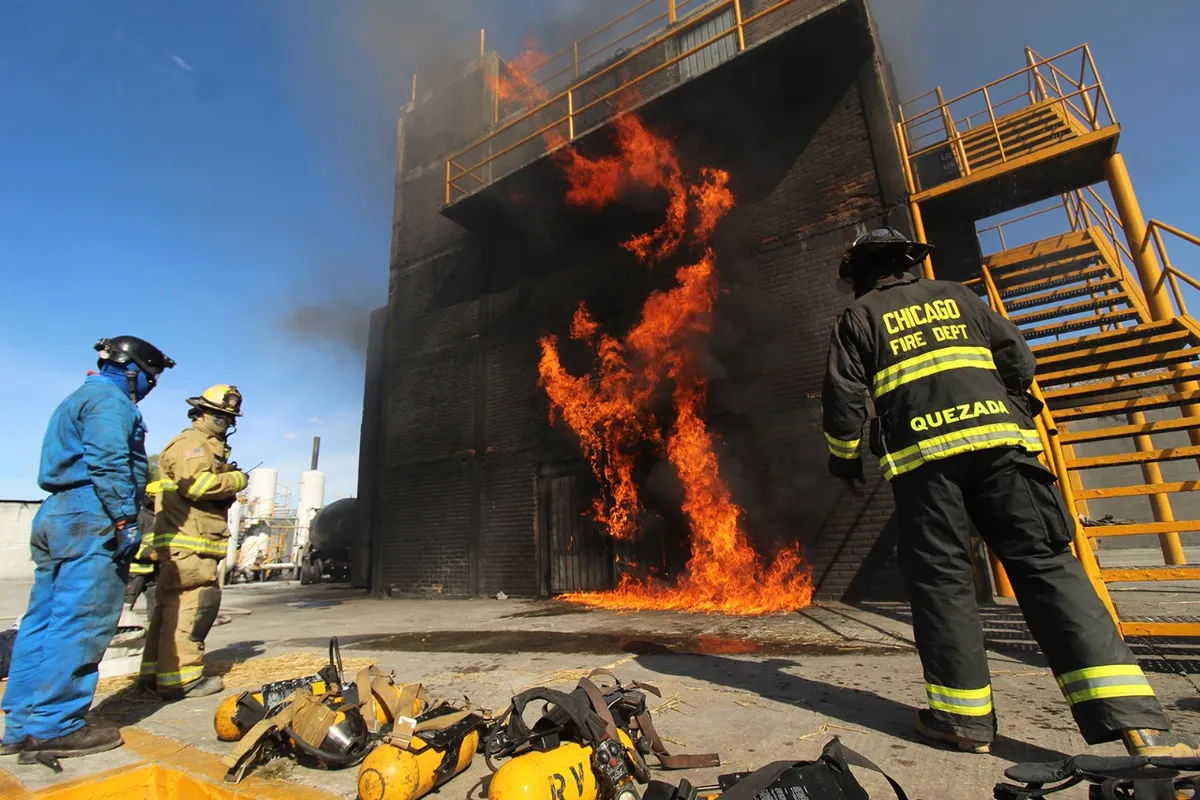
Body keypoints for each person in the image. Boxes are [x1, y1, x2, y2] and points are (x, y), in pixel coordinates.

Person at [821, 227, 1199, 758]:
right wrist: (1007, 410)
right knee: (1048, 568)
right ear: (909, 263)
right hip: (1003, 452)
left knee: (943, 582)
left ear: (858, 273)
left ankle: (963, 723)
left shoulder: (858, 318)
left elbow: (842, 403)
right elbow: (1019, 360)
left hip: (925, 468)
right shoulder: (958, 297)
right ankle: (1139, 726)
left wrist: (845, 464)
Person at [2, 336, 174, 759]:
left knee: (43, 622)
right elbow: (110, 460)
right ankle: (57, 725)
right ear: (133, 370)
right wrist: (123, 519)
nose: (150, 386)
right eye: (150, 377)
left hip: (58, 513)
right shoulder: (112, 403)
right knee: (83, 621)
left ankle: (19, 725)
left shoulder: (78, 397)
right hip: (91, 512)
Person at [140, 385, 247, 699]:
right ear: (202, 412)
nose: (225, 424)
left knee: (169, 607)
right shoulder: (193, 444)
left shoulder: (201, 446)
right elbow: (197, 486)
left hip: (187, 542)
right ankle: (182, 678)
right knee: (195, 605)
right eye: (220, 416)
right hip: (191, 541)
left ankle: (154, 674)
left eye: (229, 419)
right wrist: (236, 480)